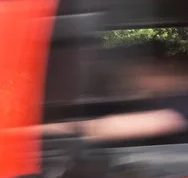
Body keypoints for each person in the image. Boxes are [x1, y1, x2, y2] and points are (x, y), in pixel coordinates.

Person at [39, 48, 188, 147]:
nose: (134, 77)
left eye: (146, 70)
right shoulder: (147, 100)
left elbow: (108, 128)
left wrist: (34, 133)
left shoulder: (181, 103)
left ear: (168, 70)